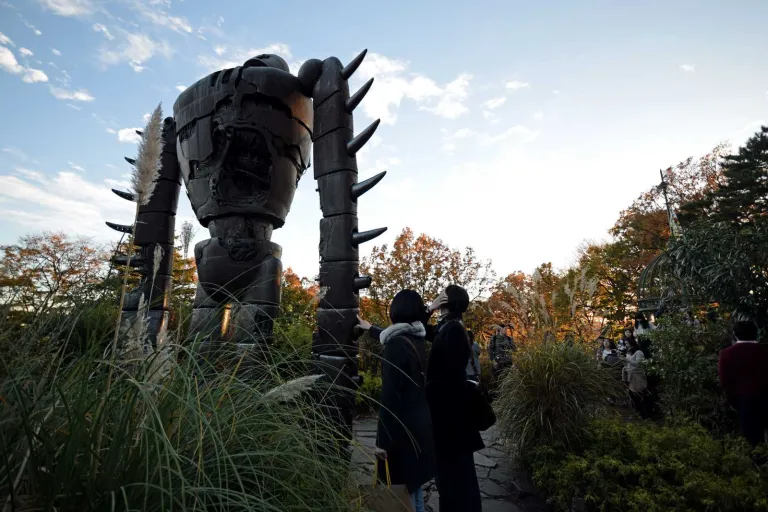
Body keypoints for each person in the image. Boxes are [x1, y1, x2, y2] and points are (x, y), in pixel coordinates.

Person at [357, 290, 436, 511]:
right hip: (419, 426)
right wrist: (370, 328)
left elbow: (390, 397)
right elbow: (392, 337)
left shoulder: (396, 346)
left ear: (396, 310)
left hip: (402, 431)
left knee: (400, 490)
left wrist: (382, 442)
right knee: (412, 487)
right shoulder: (416, 339)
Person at [424, 285, 495, 512]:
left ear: (446, 301)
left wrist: (430, 393)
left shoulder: (453, 329)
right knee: (454, 478)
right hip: (451, 418)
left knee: (455, 479)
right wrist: (430, 309)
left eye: (441, 295)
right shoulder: (449, 326)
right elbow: (422, 330)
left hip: (451, 420)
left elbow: (450, 377)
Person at [718, 319, 768, 446]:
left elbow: (725, 381)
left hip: (745, 401)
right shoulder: (764, 350)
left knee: (753, 439)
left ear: (735, 334)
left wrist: (732, 400)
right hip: (765, 396)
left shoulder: (726, 354)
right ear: (756, 333)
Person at [622, 337, 649, 418]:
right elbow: (628, 364)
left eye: (627, 343)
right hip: (631, 376)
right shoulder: (628, 352)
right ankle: (637, 412)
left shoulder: (638, 352)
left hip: (638, 376)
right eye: (625, 344)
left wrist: (627, 360)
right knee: (632, 395)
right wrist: (624, 361)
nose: (626, 345)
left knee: (638, 395)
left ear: (632, 343)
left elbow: (639, 364)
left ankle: (643, 414)